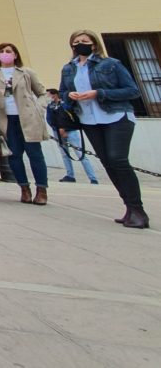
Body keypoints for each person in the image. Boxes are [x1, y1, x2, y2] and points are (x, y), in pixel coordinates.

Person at [58, 30, 147, 229]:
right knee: (108, 163)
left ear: (94, 44)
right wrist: (69, 95)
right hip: (89, 120)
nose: (80, 44)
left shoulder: (111, 64)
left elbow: (132, 90)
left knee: (118, 159)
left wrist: (99, 93)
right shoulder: (68, 69)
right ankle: (129, 208)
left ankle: (138, 209)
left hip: (116, 116)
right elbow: (63, 91)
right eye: (76, 42)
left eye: (85, 41)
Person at [0, 42, 49, 205]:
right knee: (14, 155)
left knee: (35, 154)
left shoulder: (26, 72)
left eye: (8, 51)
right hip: (5, 119)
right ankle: (24, 189)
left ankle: (41, 190)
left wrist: (39, 108)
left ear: (15, 54)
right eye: (1, 51)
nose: (5, 54)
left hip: (27, 117)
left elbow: (42, 93)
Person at [45, 88, 99, 185]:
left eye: (49, 95)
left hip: (70, 131)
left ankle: (93, 178)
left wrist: (64, 128)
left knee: (80, 154)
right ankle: (70, 175)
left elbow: (67, 116)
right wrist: (56, 128)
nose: (48, 97)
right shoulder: (50, 106)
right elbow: (49, 118)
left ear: (55, 94)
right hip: (57, 131)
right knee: (65, 154)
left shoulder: (65, 104)